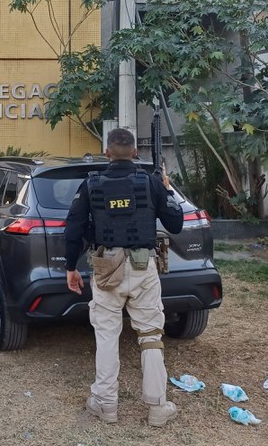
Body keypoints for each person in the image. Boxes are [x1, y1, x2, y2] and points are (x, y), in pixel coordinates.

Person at [65, 128, 184, 428]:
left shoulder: (91, 184)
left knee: (106, 335)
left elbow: (74, 228)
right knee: (150, 336)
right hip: (144, 268)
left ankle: (105, 404)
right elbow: (176, 223)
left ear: (107, 153)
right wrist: (167, 189)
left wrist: (70, 267)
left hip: (106, 268)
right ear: (134, 153)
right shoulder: (152, 182)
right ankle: (157, 407)